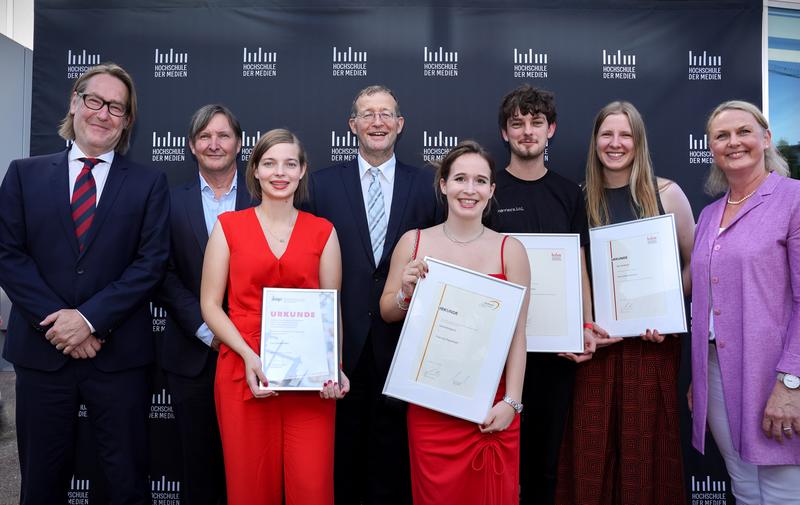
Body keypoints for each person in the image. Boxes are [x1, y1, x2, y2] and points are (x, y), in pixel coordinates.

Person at [0, 63, 169, 504]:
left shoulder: (150, 184)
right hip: (42, 352)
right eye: (95, 100)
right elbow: (8, 255)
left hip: (117, 357)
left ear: (128, 120)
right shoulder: (23, 173)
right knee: (40, 481)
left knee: (126, 481)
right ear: (75, 103)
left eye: (117, 107)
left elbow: (150, 264)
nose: (103, 113)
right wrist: (60, 324)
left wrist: (90, 320)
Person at [303, 84, 441, 504]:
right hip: (342, 349)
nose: (377, 122)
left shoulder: (430, 186)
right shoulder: (320, 187)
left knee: (395, 467)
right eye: (367, 114)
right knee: (341, 465)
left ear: (400, 125)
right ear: (352, 125)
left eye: (386, 114)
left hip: (406, 346)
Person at [556, 101, 695, 505]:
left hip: (652, 347)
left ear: (639, 141)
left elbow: (694, 264)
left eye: (625, 135)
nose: (615, 144)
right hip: (597, 347)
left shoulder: (667, 194)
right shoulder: (581, 199)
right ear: (595, 141)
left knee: (645, 455)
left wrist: (666, 310)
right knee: (592, 453)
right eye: (607, 135)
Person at [200, 128, 347, 505]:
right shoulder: (228, 227)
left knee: (312, 489)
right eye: (270, 163)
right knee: (249, 488)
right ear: (256, 170)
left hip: (310, 380)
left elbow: (331, 308)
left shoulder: (323, 232)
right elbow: (211, 306)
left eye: (289, 163)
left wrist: (335, 366)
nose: (279, 172)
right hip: (243, 369)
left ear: (302, 172)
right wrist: (249, 356)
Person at [380, 140, 530, 504]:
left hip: (489, 407)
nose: (469, 189)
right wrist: (405, 291)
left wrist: (512, 402)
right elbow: (387, 311)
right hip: (430, 406)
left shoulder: (510, 249)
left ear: (492, 191)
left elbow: (517, 335)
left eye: (480, 181)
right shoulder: (413, 243)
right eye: (460, 178)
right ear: (443, 184)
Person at [489, 84, 600, 504]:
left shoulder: (570, 193)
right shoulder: (487, 189)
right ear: (505, 133)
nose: (527, 132)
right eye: (517, 124)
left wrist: (584, 325)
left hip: (555, 351)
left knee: (545, 463)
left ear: (551, 129)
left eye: (536, 123)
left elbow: (580, 267)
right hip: (498, 349)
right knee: (495, 454)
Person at [688, 100, 800, 504]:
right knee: (745, 487)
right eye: (722, 136)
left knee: (783, 490)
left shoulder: (793, 200)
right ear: (711, 148)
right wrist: (699, 377)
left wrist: (791, 384)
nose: (733, 142)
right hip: (716, 372)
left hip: (774, 373)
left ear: (766, 139)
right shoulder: (708, 215)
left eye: (743, 132)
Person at [156, 104, 253, 505]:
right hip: (193, 354)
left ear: (240, 143)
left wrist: (244, 337)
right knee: (198, 468)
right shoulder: (167, 200)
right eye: (205, 137)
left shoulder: (267, 196)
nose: (214, 144)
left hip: (256, 352)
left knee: (251, 467)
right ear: (192, 146)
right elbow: (161, 273)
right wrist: (206, 329)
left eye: (223, 135)